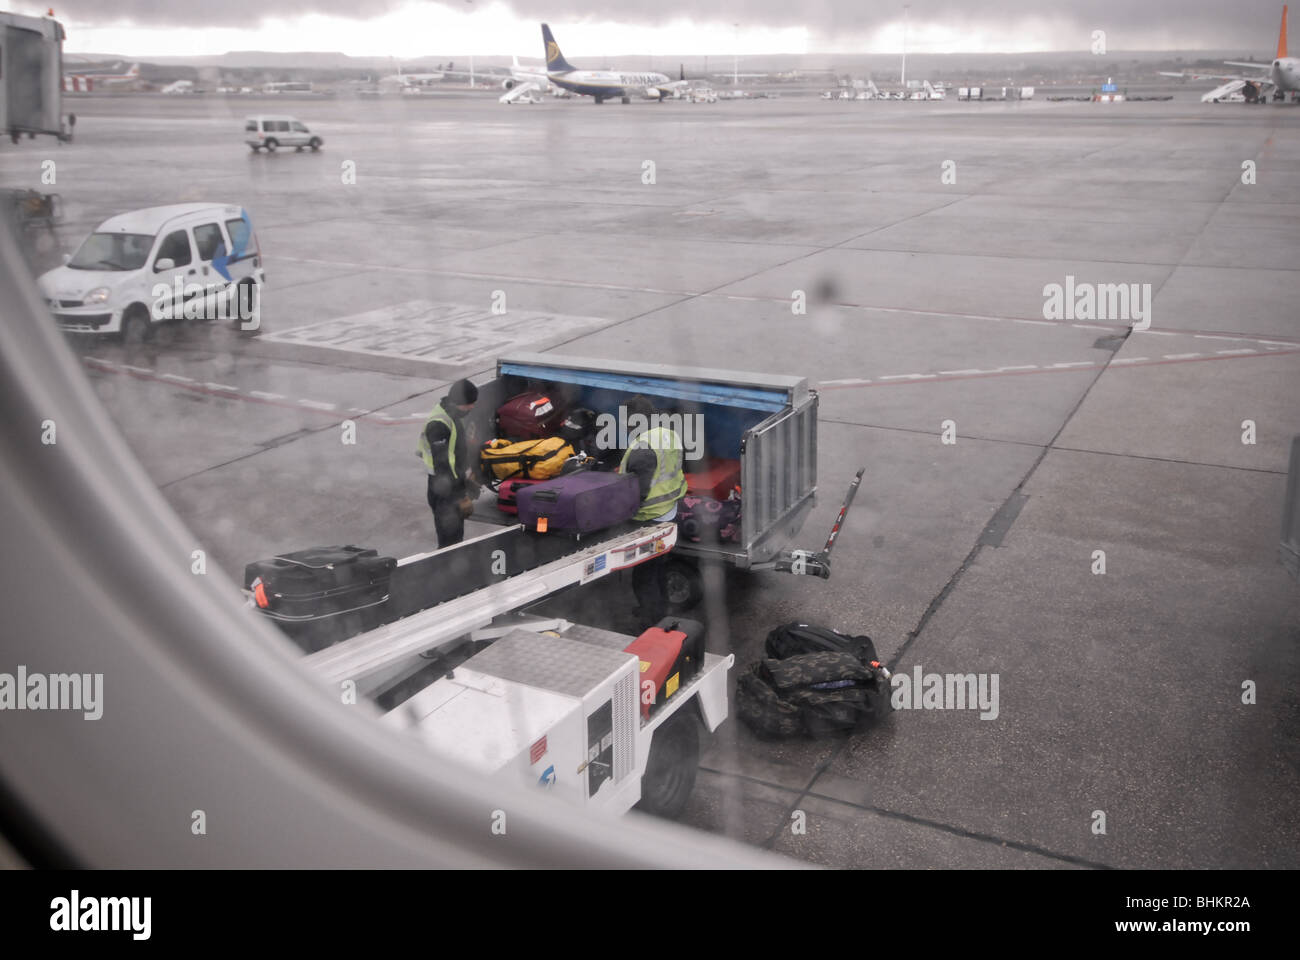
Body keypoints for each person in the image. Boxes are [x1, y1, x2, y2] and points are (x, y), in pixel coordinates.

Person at [618, 395, 688, 624]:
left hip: (648, 518)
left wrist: (615, 511)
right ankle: (661, 608)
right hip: (669, 511)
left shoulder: (643, 448)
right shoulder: (669, 434)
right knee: (658, 566)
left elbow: (638, 492)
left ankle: (652, 622)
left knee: (644, 575)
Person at [416, 379, 480, 548]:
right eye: (469, 404)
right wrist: (460, 494)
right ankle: (446, 570)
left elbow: (455, 456)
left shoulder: (453, 414)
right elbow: (443, 466)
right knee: (449, 542)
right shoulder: (438, 424)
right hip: (443, 490)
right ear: (459, 402)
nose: (472, 407)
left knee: (455, 539)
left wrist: (465, 480)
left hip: (450, 485)